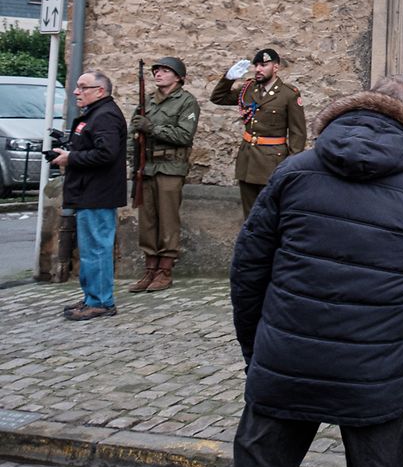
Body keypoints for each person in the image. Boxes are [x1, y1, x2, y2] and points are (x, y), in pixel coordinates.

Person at [230, 74, 403, 467]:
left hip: (287, 361)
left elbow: (247, 270)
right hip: (374, 373)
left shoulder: (295, 170)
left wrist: (259, 351)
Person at [51, 69, 127, 322]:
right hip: (88, 191)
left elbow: (107, 154)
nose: (76, 91)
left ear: (100, 91)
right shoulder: (95, 114)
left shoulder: (105, 116)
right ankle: (92, 297)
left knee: (96, 250)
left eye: (83, 87)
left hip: (98, 193)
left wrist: (70, 158)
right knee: (90, 249)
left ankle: (101, 302)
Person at [127, 57, 200, 293]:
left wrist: (152, 128)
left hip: (170, 167)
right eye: (156, 70)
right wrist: (133, 164)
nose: (158, 74)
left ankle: (165, 270)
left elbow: (184, 135)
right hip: (146, 168)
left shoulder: (186, 102)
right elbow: (132, 136)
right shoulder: (146, 102)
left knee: (168, 220)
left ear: (178, 77)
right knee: (147, 221)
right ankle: (150, 268)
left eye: (165, 70)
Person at [209, 48, 306, 218]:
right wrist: (228, 79)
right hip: (247, 159)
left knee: (269, 213)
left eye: (263, 65)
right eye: (256, 65)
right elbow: (218, 98)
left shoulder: (288, 94)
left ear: (276, 67)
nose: (258, 69)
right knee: (250, 214)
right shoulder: (248, 89)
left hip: (272, 161)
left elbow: (298, 132)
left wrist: (291, 166)